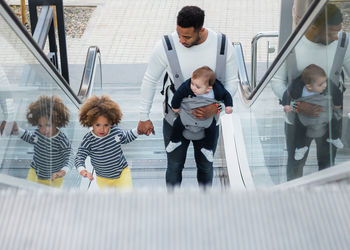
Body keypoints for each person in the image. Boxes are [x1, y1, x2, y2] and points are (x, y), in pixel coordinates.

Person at [137, 6, 237, 188]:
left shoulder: (223, 45)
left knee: (206, 166)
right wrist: (144, 117)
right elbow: (149, 80)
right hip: (174, 118)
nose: (181, 40)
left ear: (201, 30)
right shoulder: (165, 46)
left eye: (187, 37)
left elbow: (232, 82)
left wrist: (217, 108)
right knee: (174, 166)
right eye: (179, 34)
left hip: (209, 121)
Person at [271, 3, 350, 180]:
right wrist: (296, 105)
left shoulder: (343, 42)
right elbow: (276, 81)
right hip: (296, 121)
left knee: (328, 166)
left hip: (330, 120)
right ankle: (294, 203)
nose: (336, 37)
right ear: (314, 27)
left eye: (338, 31)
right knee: (295, 165)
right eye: (331, 32)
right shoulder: (291, 44)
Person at [2, 95, 73, 188]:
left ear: (56, 121)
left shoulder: (61, 140)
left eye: (48, 125)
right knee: (29, 193)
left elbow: (70, 156)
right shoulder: (39, 134)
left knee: (50, 199)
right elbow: (31, 138)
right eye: (40, 125)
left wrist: (63, 171)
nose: (43, 130)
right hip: (35, 172)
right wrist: (17, 130)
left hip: (54, 177)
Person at [166, 66, 233, 163]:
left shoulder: (217, 89)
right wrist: (175, 106)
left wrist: (228, 106)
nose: (193, 87)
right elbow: (178, 95)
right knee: (178, 123)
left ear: (208, 89)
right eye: (192, 83)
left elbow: (226, 95)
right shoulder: (188, 86)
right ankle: (174, 141)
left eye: (197, 87)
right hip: (188, 112)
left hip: (207, 116)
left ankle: (208, 149)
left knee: (212, 128)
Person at [75, 95, 139, 190]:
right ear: (90, 122)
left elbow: (126, 137)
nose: (102, 129)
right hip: (103, 179)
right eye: (97, 125)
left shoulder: (115, 133)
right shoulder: (89, 140)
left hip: (122, 173)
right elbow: (80, 156)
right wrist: (83, 170)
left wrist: (138, 130)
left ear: (111, 122)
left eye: (106, 125)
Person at [281, 64, 343, 161]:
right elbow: (288, 94)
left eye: (325, 82)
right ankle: (301, 147)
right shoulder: (298, 87)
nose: (325, 85)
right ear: (309, 87)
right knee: (299, 129)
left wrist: (337, 104)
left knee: (333, 121)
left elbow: (336, 93)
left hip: (324, 110)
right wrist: (287, 104)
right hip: (304, 113)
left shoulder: (326, 83)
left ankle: (334, 137)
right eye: (320, 84)